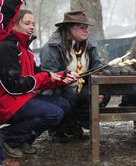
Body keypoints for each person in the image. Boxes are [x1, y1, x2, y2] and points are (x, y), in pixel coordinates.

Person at [0, 9, 79, 159]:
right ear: (14, 25)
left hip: (22, 98)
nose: (31, 27)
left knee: (63, 103)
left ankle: (22, 140)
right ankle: (6, 138)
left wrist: (61, 77)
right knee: (53, 113)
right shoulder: (6, 47)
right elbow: (13, 85)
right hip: (7, 101)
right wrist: (45, 78)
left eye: (33, 24)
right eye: (27, 23)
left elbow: (37, 75)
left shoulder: (26, 49)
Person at [40, 10, 110, 142]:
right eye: (82, 27)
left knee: (103, 92)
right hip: (58, 87)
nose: (86, 31)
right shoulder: (52, 48)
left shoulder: (89, 46)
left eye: (87, 28)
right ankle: (58, 129)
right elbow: (49, 77)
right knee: (70, 95)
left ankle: (77, 124)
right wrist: (64, 79)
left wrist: (98, 88)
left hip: (80, 85)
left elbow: (96, 68)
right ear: (69, 28)